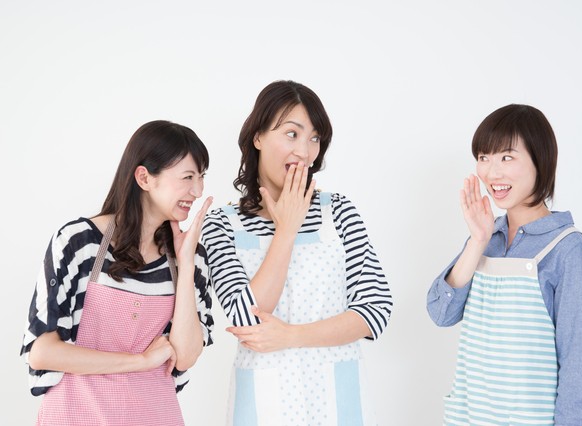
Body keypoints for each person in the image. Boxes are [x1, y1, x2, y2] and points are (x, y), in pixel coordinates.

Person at [201, 80, 392, 425]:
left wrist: (291, 336)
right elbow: (246, 318)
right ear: (258, 137)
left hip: (337, 405)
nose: (304, 151)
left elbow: (375, 310)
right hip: (264, 406)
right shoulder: (221, 224)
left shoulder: (338, 212)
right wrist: (286, 230)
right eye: (292, 134)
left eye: (315, 138)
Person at [20, 120, 215, 426]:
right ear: (144, 177)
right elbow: (42, 352)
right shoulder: (79, 243)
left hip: (155, 416)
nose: (198, 190)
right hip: (76, 416)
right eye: (188, 177)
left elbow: (186, 355)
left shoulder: (190, 257)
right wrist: (139, 361)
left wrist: (187, 263)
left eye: (201, 177)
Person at [427, 104, 582, 425]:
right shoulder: (487, 238)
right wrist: (477, 241)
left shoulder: (570, 251)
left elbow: (580, 368)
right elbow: (441, 312)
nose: (492, 173)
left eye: (507, 157)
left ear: (540, 160)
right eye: (484, 157)